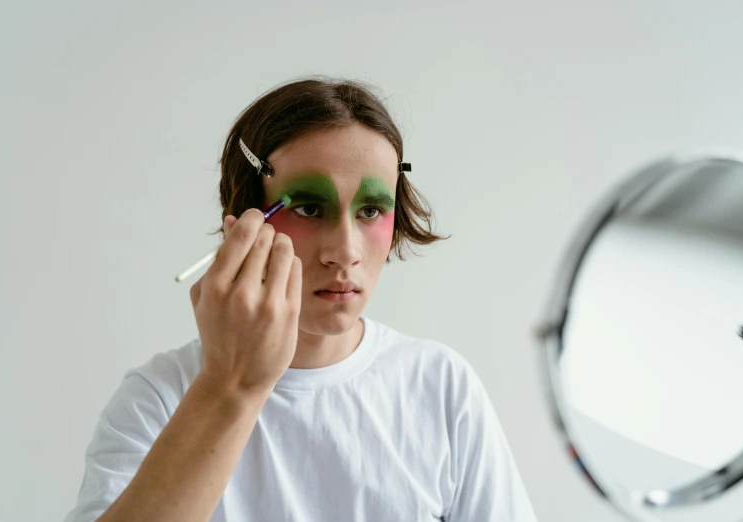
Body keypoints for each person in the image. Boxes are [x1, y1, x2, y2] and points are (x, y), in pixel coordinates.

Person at [64, 77, 530, 521]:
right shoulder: (159, 399)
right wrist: (232, 388)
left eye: (371, 210)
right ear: (245, 219)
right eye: (309, 207)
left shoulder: (440, 387)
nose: (344, 252)